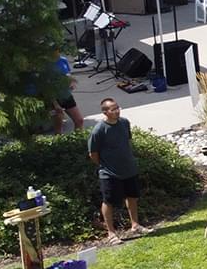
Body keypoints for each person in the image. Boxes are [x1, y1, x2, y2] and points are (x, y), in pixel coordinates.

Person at [87, 98, 150, 242]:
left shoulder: (124, 123)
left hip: (129, 169)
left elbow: (127, 141)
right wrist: (105, 165)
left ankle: (135, 225)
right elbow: (93, 154)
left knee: (132, 196)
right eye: (112, 109)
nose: (117, 111)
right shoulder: (99, 130)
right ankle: (111, 233)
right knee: (108, 201)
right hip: (109, 173)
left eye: (117, 108)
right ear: (105, 112)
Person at [47, 54, 83, 134]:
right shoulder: (45, 64)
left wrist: (71, 81)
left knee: (79, 120)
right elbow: (46, 86)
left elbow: (68, 73)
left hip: (66, 94)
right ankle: (59, 143)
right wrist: (55, 104)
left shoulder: (63, 59)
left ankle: (77, 141)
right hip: (53, 97)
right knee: (58, 125)